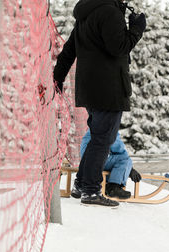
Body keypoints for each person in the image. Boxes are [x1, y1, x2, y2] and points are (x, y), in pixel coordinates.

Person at [53, 0, 146, 206]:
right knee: (103, 140)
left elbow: (69, 50)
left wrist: (57, 77)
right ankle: (91, 191)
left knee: (98, 138)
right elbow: (119, 47)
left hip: (89, 90)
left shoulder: (87, 15)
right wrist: (137, 29)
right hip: (109, 89)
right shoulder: (109, 13)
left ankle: (81, 184)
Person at [70, 129, 142, 200]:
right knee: (125, 159)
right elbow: (119, 149)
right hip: (98, 160)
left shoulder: (93, 127)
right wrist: (129, 167)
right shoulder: (109, 126)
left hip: (87, 162)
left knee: (118, 161)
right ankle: (113, 187)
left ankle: (81, 185)